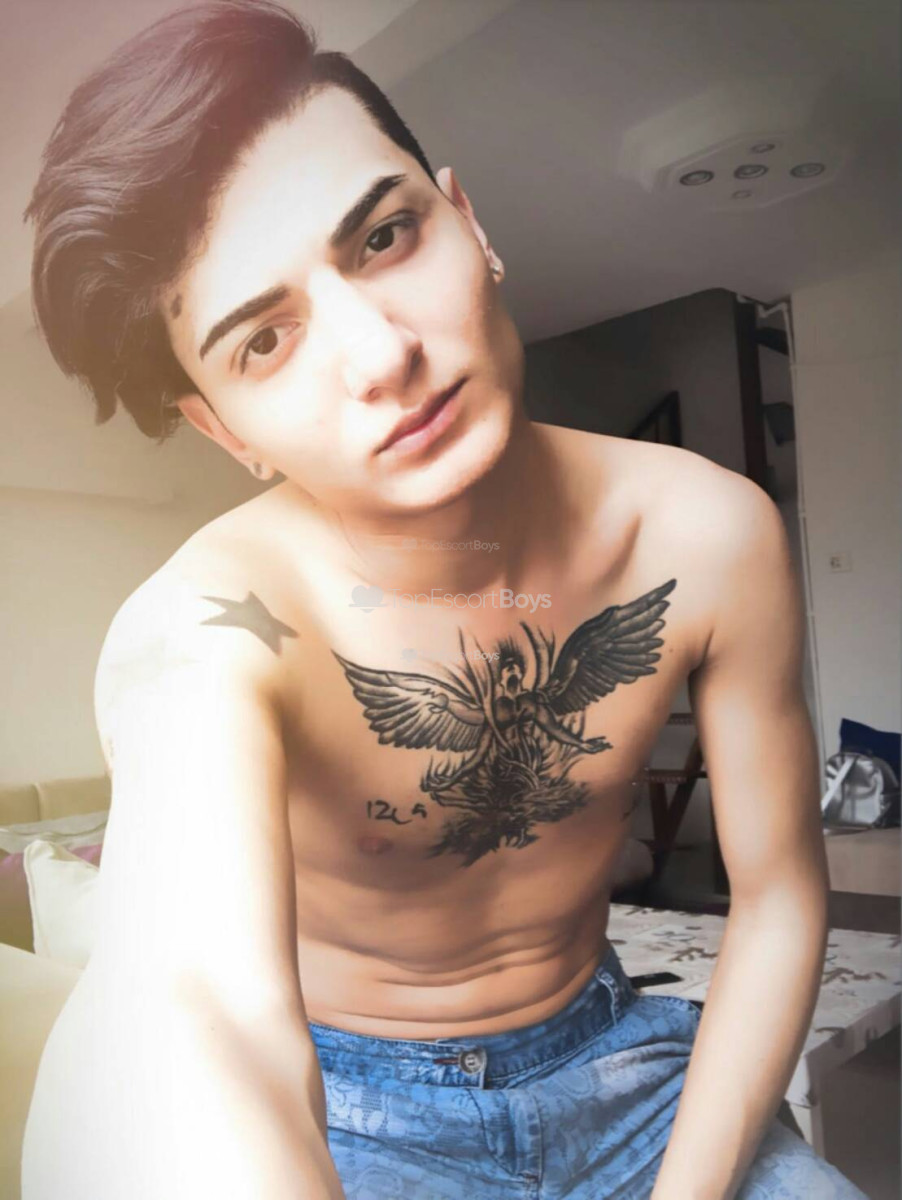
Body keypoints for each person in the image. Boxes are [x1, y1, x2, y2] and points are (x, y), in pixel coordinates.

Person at [20, 3, 866, 1198]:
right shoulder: (213, 625)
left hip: (623, 1068)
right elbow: (197, 1008)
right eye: (264, 341)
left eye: (383, 237)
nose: (381, 357)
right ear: (222, 429)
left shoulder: (706, 533)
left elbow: (776, 894)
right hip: (352, 1117)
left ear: (468, 222)